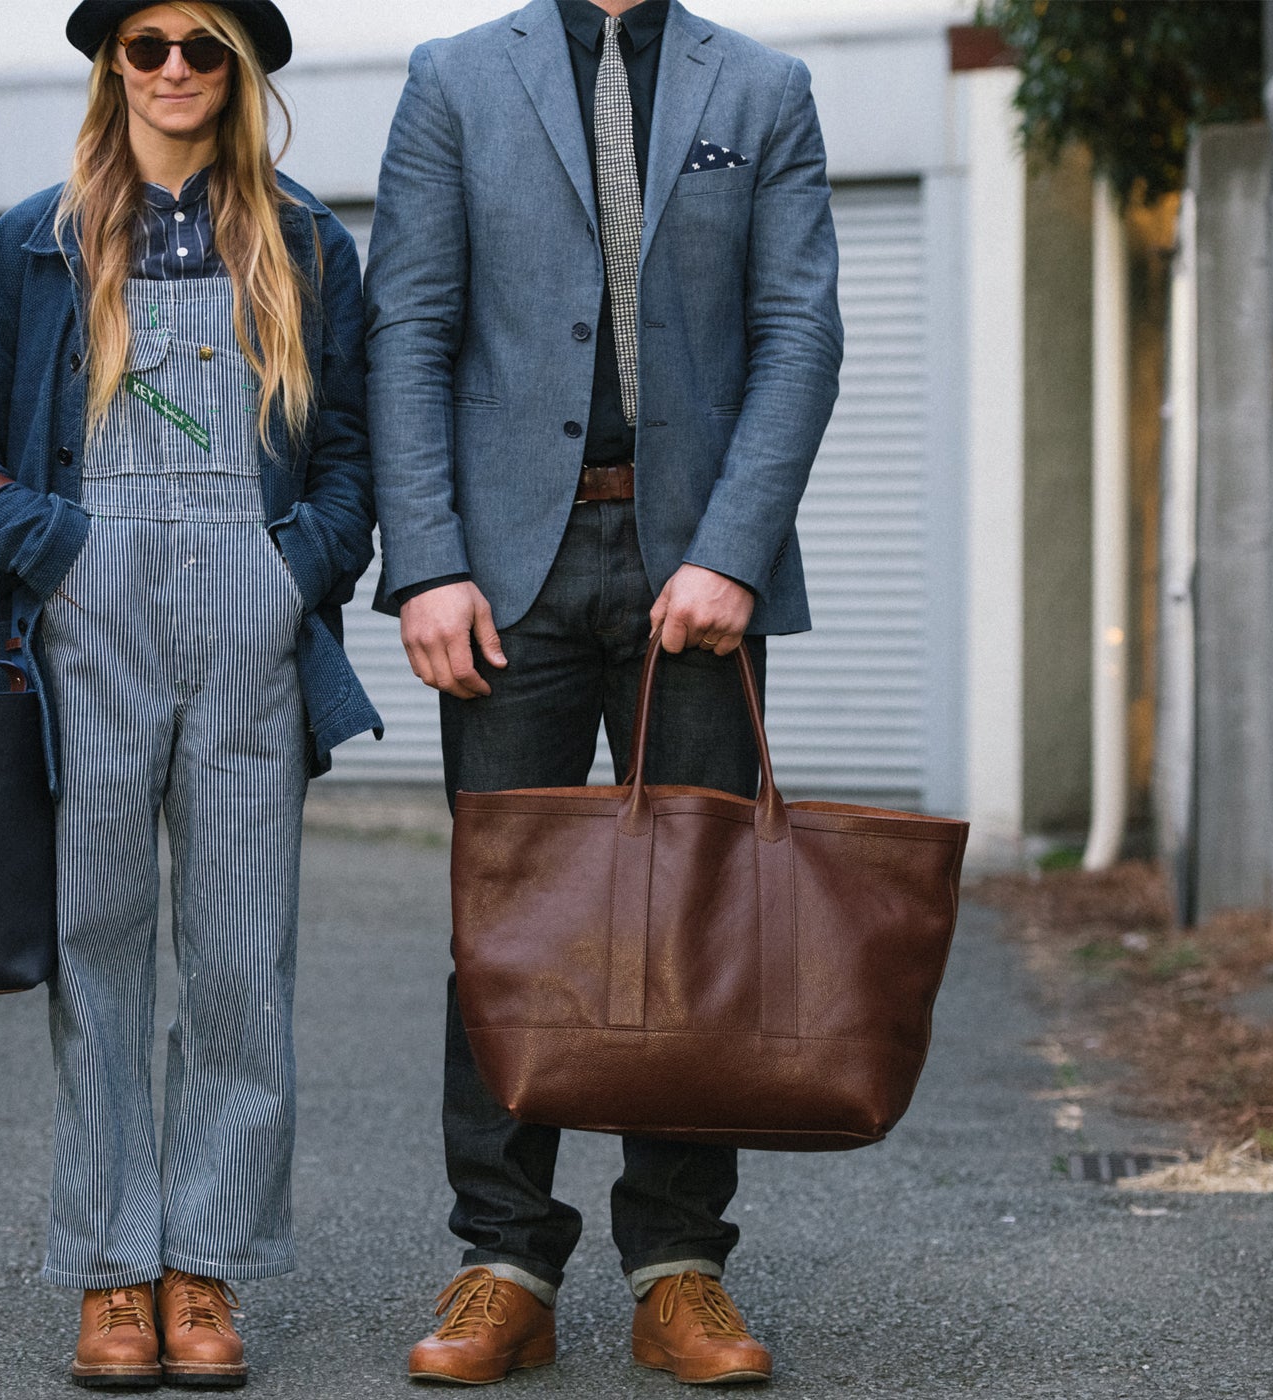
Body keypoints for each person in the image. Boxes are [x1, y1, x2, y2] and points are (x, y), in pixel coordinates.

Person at [0, 1, 380, 1386]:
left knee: (243, 963)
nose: (174, 68)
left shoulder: (304, 246)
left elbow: (351, 453)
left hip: (253, 627)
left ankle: (203, 1266)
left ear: (241, 71)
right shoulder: (33, 244)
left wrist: (294, 571)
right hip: (85, 627)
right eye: (148, 42)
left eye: (203, 46)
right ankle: (112, 1270)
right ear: (114, 62)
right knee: (97, 948)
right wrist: (50, 550)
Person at [365, 0, 841, 1385]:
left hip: (693, 572)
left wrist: (732, 551)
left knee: (690, 923)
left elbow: (799, 331)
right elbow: (407, 328)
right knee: (507, 929)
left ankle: (677, 1270)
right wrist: (429, 564)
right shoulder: (453, 80)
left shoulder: (763, 88)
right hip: (504, 575)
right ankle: (502, 1262)